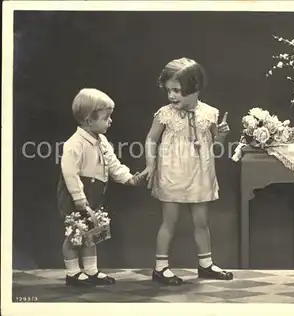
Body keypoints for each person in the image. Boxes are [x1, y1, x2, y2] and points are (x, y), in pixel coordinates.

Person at [142, 57, 233, 285]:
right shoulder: (165, 113)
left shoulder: (210, 113)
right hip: (172, 173)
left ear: (194, 89)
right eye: (169, 91)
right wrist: (150, 164)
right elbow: (151, 139)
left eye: (177, 91)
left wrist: (221, 134)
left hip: (200, 173)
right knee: (169, 222)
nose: (172, 96)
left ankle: (205, 264)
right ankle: (160, 267)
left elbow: (216, 147)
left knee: (202, 222)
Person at [57, 88, 145, 287]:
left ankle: (91, 270)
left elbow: (113, 165)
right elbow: (69, 172)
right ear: (89, 120)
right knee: (75, 232)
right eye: (106, 118)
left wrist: (129, 178)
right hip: (77, 193)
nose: (110, 121)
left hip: (95, 192)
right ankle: (72, 273)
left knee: (92, 232)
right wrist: (78, 197)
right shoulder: (75, 144)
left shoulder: (102, 141)